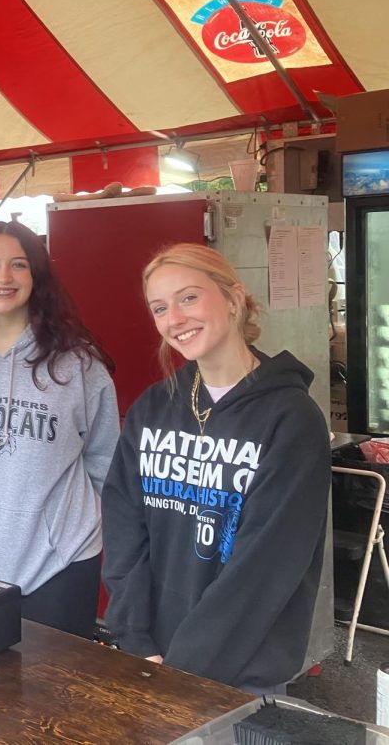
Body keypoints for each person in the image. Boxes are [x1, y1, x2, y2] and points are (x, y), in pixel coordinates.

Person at [102, 243, 330, 693]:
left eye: (189, 297)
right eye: (160, 307)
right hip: (152, 656)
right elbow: (124, 523)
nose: (175, 319)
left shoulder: (291, 420)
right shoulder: (153, 407)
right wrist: (135, 638)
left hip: (241, 670)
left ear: (233, 298)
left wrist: (185, 670)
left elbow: (265, 566)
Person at [0, 220, 119, 640]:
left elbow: (105, 459)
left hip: (60, 562)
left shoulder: (79, 366)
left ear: (38, 276)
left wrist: (69, 528)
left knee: (57, 697)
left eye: (19, 265)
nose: (4, 277)